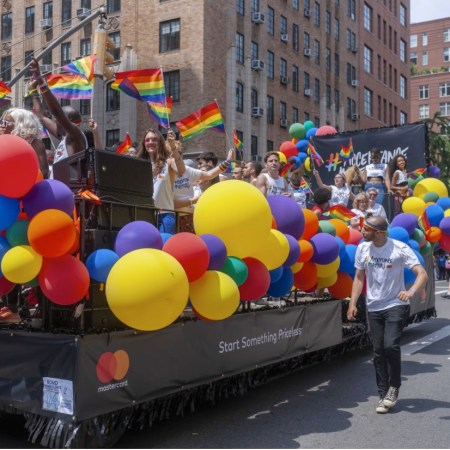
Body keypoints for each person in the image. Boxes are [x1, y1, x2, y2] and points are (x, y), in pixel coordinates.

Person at [347, 215, 428, 414]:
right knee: (378, 351)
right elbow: (359, 277)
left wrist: (411, 292)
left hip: (396, 303)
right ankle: (383, 394)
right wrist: (353, 303)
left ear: (379, 233)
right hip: (374, 306)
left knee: (390, 345)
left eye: (366, 229)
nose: (362, 231)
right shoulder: (362, 248)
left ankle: (394, 387)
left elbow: (422, 274)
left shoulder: (399, 248)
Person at [28, 58, 88, 166]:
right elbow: (41, 117)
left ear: (68, 121)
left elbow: (57, 112)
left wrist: (40, 80)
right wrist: (33, 90)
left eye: (58, 119)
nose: (55, 120)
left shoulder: (76, 136)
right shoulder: (64, 136)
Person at [137, 128, 185, 234]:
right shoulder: (138, 164)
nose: (150, 142)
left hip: (165, 216)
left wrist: (173, 147)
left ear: (160, 142)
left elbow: (181, 171)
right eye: (147, 140)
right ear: (144, 144)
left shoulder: (169, 161)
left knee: (164, 244)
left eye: (154, 139)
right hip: (144, 215)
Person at [0, 107, 49, 179]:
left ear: (19, 125)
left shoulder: (35, 143)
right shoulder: (3, 143)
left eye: (5, 123)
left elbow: (42, 173)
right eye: (1, 122)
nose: (1, 125)